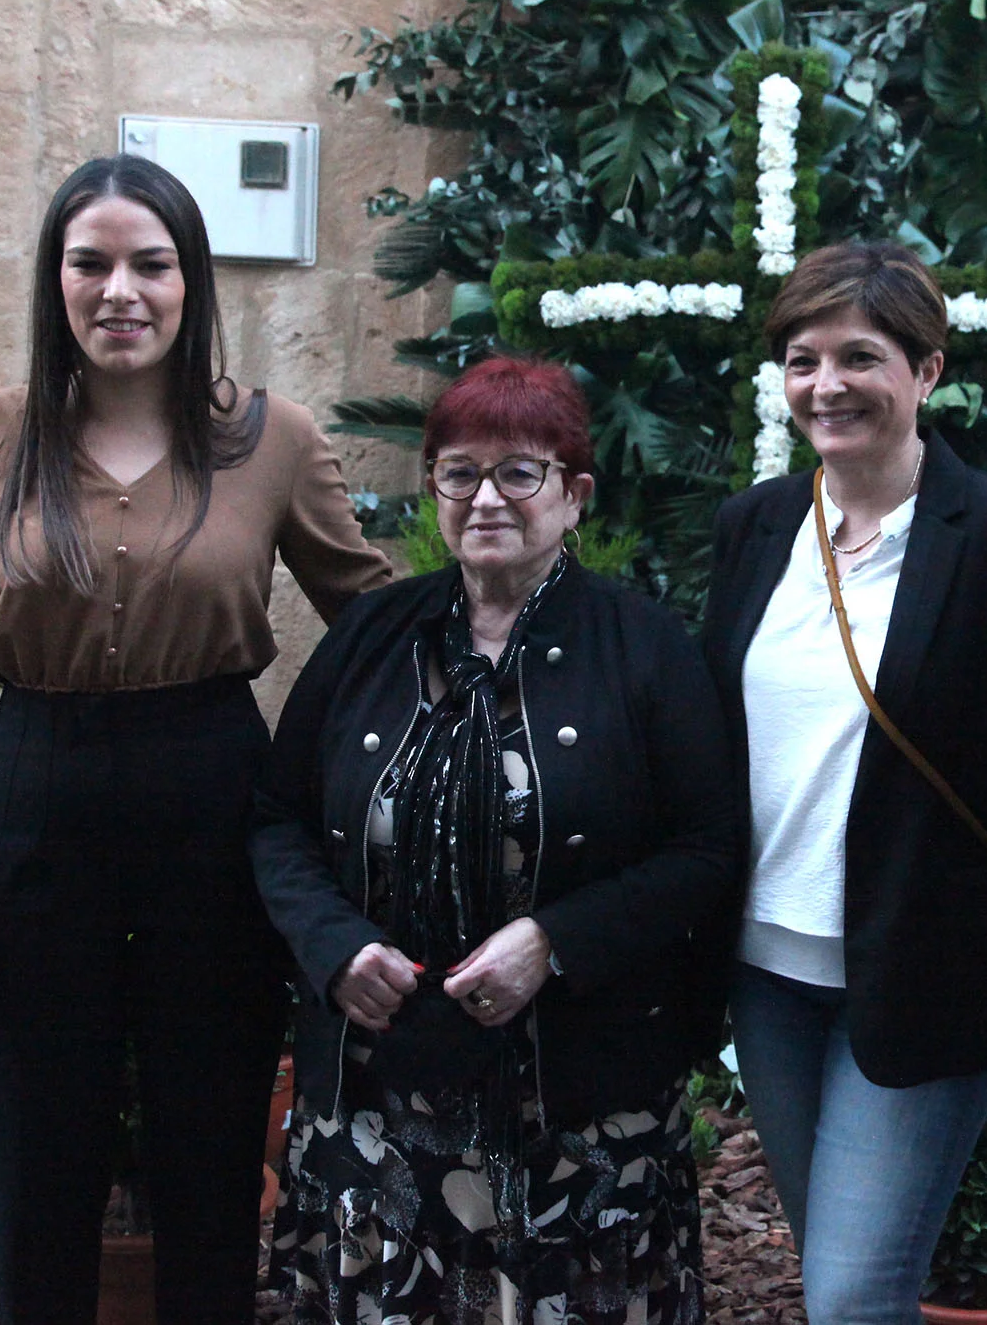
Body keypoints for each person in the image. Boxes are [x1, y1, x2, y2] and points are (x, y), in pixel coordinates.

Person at [0, 154, 393, 1324]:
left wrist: (526, 617)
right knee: (36, 1157)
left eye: (151, 264)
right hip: (34, 800)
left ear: (191, 282)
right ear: (55, 283)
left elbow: (373, 628)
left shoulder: (269, 442)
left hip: (211, 802)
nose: (121, 290)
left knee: (213, 1147)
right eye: (91, 263)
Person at [251, 355, 743, 1325]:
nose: (486, 498)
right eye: (458, 471)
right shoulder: (369, 637)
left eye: (520, 472)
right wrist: (332, 944)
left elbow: (708, 850)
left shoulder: (644, 649)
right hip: (378, 1100)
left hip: (576, 1107)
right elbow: (277, 820)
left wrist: (554, 942)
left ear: (575, 495)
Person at [700, 242, 987, 1324]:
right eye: (802, 359)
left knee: (856, 1293)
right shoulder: (756, 525)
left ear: (927, 371)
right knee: (842, 1280)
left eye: (859, 356)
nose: (827, 385)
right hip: (766, 972)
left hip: (926, 973)